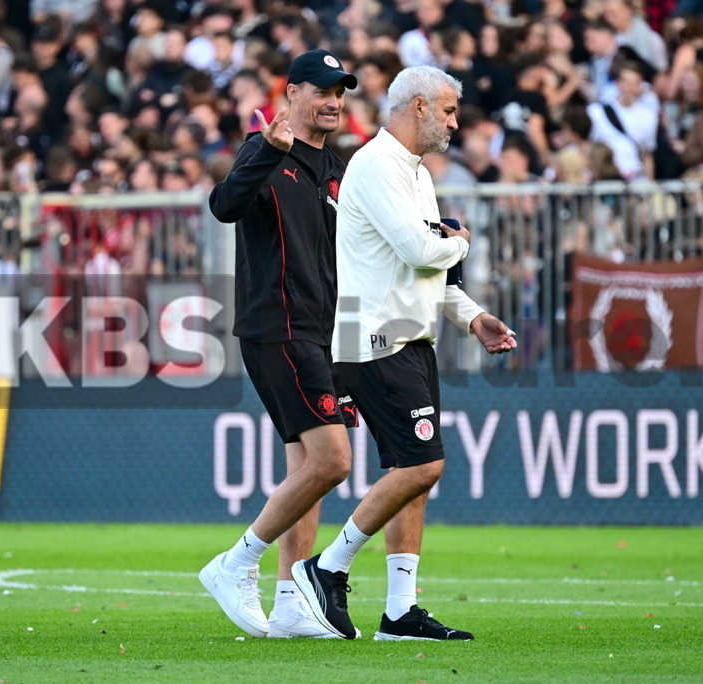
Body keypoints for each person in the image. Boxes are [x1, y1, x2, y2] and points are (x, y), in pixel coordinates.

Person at [291, 65, 517, 641]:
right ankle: (328, 566)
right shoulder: (376, 165)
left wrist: (473, 317)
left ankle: (400, 612)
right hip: (376, 338)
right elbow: (421, 249)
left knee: (412, 475)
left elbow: (425, 268)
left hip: (411, 337)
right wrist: (459, 242)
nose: (454, 122)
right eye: (448, 110)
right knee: (424, 464)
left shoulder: (414, 172)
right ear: (418, 106)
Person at [199, 50, 359, 639]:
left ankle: (291, 600)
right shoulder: (264, 149)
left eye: (340, 91)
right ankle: (236, 562)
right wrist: (268, 150)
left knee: (307, 465)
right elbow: (224, 206)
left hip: (322, 331)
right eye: (322, 90)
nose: (333, 101)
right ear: (292, 93)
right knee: (332, 461)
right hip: (279, 325)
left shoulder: (338, 168)